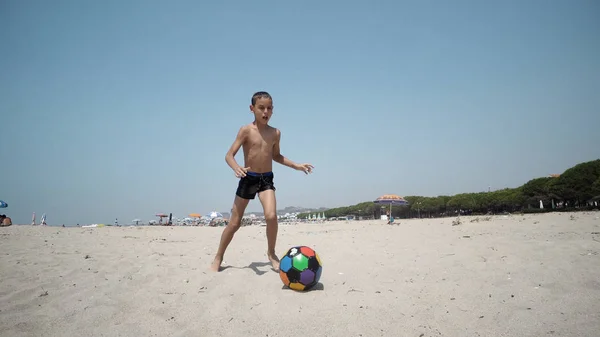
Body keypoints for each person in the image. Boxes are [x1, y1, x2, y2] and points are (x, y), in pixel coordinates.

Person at [210, 91, 313, 272]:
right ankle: (219, 256)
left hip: (266, 178)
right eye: (261, 108)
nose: (266, 111)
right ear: (252, 109)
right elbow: (229, 155)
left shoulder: (275, 133)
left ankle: (271, 253)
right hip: (248, 177)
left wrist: (296, 165)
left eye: (269, 108)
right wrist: (236, 167)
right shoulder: (246, 131)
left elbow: (276, 156)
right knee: (234, 223)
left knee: (271, 216)